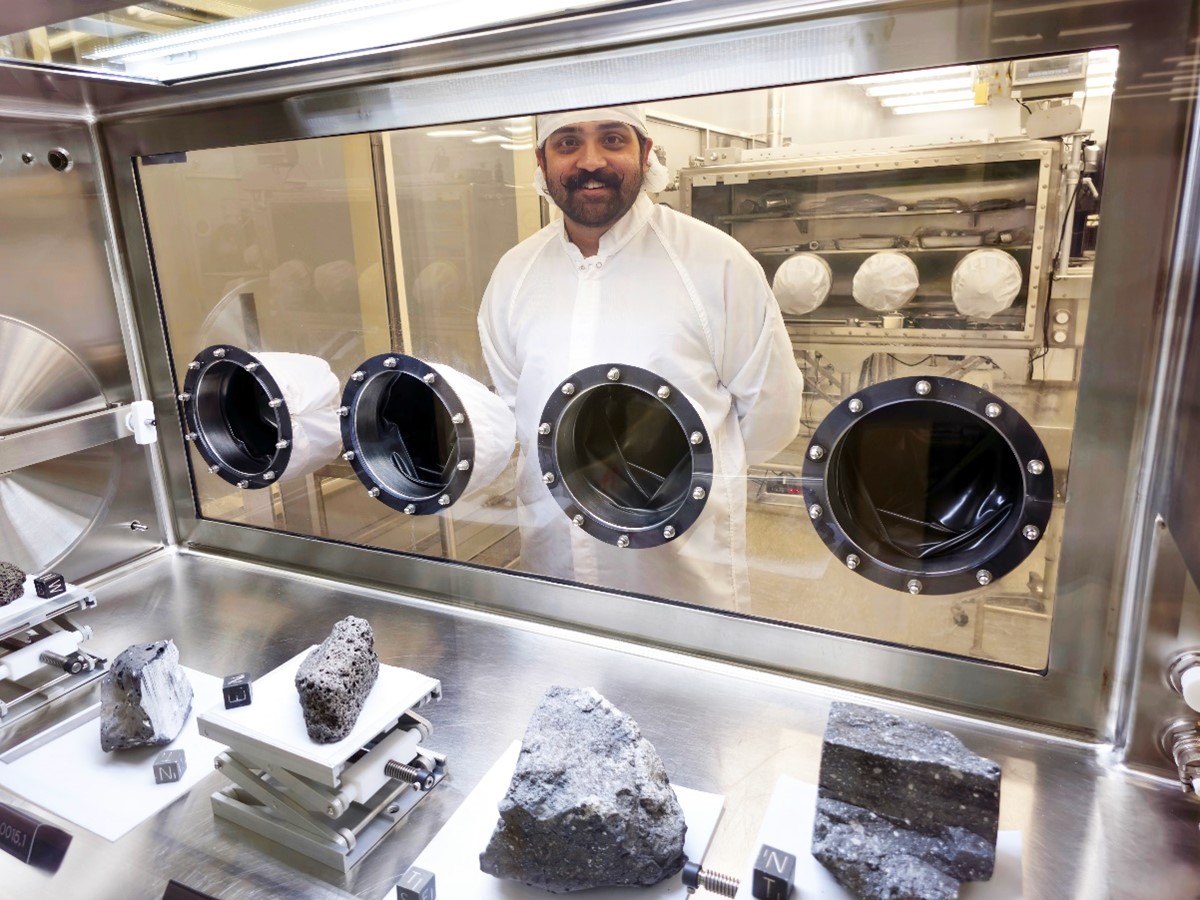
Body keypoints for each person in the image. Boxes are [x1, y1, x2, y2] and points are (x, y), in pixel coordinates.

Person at [478, 105, 804, 611]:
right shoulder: (514, 274)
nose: (590, 161)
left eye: (612, 139)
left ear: (645, 151)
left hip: (677, 581)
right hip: (553, 574)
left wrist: (673, 476)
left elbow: (771, 416)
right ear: (541, 161)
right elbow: (515, 410)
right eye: (567, 143)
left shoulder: (715, 263)